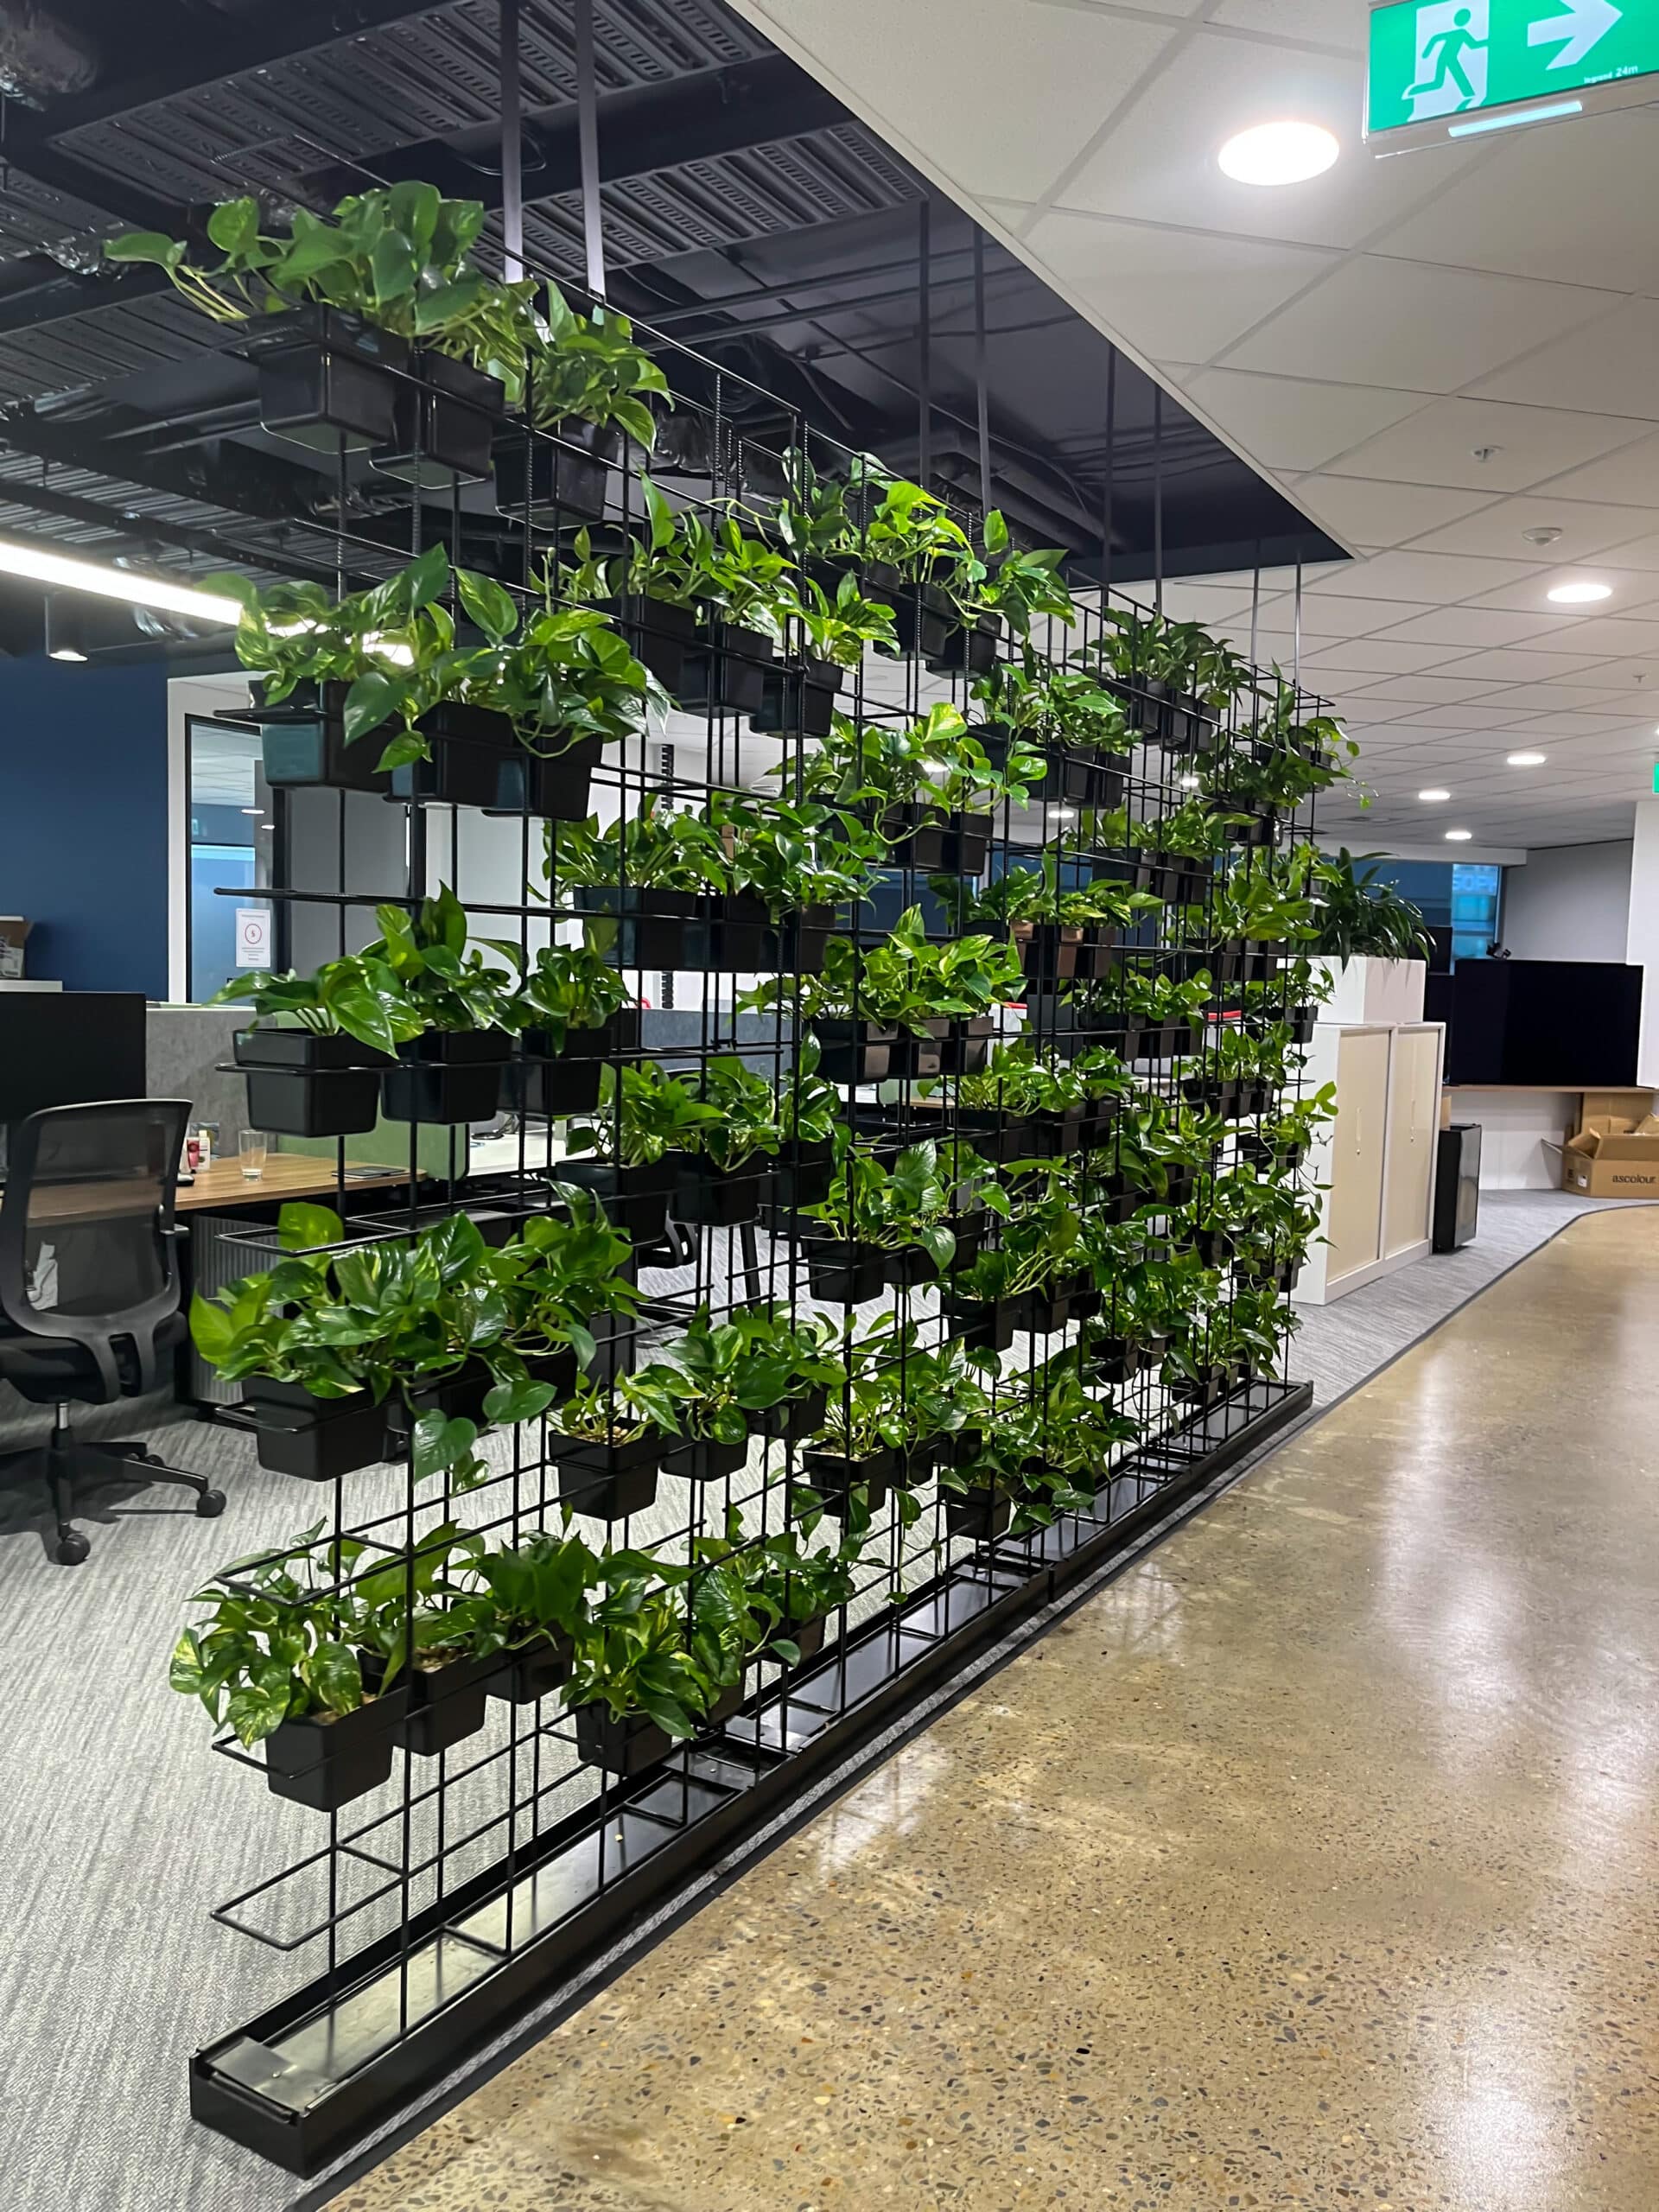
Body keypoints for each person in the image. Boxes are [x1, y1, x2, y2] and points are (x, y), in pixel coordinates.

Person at [1408, 8, 1482, 108]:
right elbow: (1435, 39)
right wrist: (1426, 53)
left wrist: (1488, 42)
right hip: (1445, 58)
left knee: (1438, 82)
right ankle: (1415, 91)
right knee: (1440, 82)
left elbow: (1473, 45)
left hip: (1449, 58)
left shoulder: (1463, 33)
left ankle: (1415, 90)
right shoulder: (1460, 33)